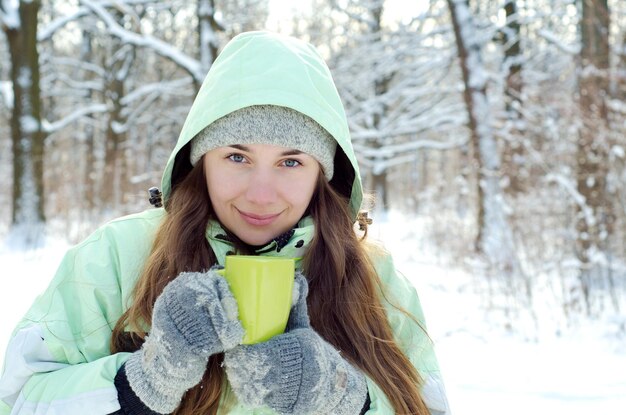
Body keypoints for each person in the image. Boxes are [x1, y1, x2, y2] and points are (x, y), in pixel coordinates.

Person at [0, 31, 450, 415]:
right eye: (237, 156)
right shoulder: (117, 257)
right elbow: (19, 398)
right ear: (200, 161)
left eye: (291, 162)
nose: (260, 193)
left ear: (324, 174)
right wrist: (141, 382)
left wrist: (345, 399)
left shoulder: (376, 280)